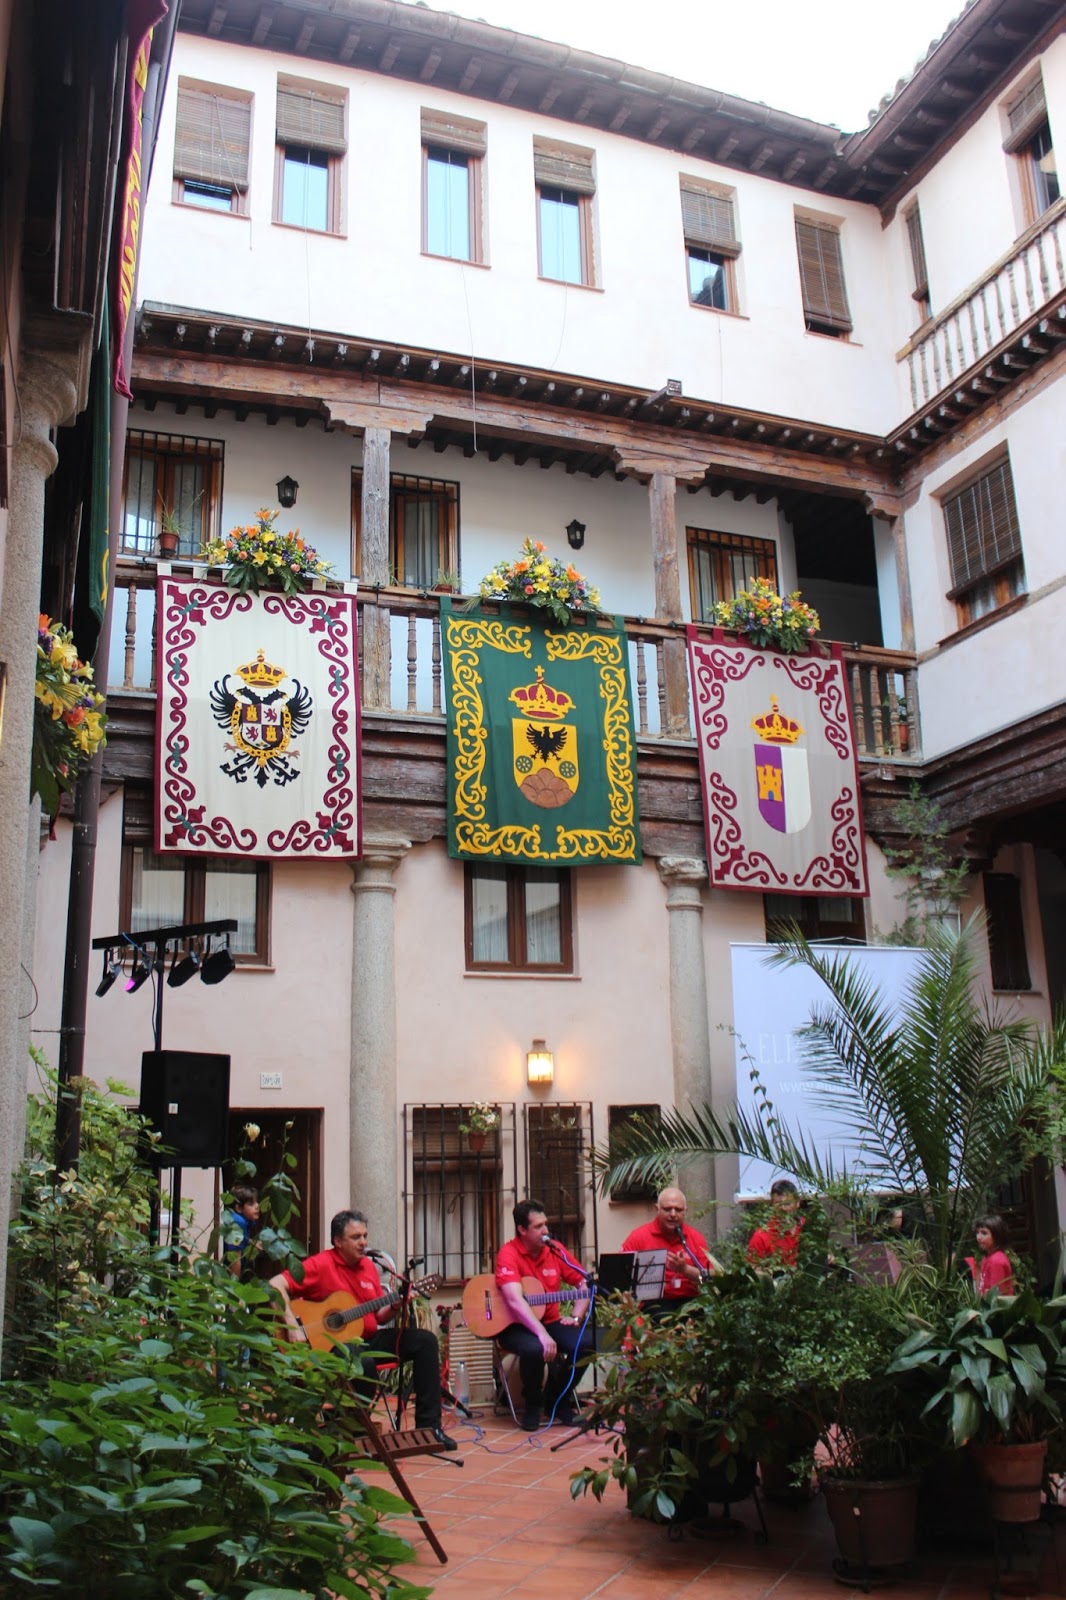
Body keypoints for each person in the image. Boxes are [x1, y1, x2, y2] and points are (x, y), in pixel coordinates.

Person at [269, 1209, 457, 1450]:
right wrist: (293, 1327)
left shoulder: (369, 1267)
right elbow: (275, 1285)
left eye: (365, 1236)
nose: (364, 1242)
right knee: (363, 1363)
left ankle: (430, 1429)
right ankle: (354, 1434)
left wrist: (396, 1305)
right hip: (330, 1346)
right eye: (356, 1237)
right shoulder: (320, 1264)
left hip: (367, 1338)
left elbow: (378, 1315)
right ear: (338, 1241)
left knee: (426, 1341)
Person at [495, 1199, 593, 1432]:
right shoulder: (508, 1253)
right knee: (534, 1348)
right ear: (522, 1230)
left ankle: (557, 1399)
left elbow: (583, 1283)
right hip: (516, 1326)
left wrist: (577, 1316)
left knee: (587, 1344)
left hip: (550, 1320)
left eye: (545, 1225)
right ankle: (532, 1404)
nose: (546, 1231)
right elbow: (514, 1300)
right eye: (538, 1226)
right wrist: (541, 1334)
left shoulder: (555, 1251)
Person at [621, 1186, 714, 1309]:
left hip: (691, 1303)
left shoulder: (695, 1238)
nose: (673, 1214)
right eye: (667, 1209)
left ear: (685, 1211)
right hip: (653, 1304)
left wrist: (685, 1270)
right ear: (657, 1209)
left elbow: (710, 1278)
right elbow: (621, 1276)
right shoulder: (638, 1236)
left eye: (678, 1210)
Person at [747, 1178, 804, 1267]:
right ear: (772, 1205)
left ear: (797, 1203)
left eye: (787, 1203)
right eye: (778, 1204)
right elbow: (754, 1273)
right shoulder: (761, 1236)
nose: (783, 1208)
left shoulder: (809, 1227)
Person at [966, 1213, 1014, 1296]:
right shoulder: (988, 1258)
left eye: (984, 1233)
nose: (978, 1237)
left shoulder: (997, 1261)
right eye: (978, 1233)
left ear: (997, 1235)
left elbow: (995, 1296)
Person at [223, 1183, 260, 1277]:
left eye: (256, 1202)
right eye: (251, 1204)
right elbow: (235, 1258)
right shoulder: (238, 1222)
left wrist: (251, 1242)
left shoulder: (243, 1220)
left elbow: (241, 1239)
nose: (257, 1206)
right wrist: (235, 1287)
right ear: (238, 1208)